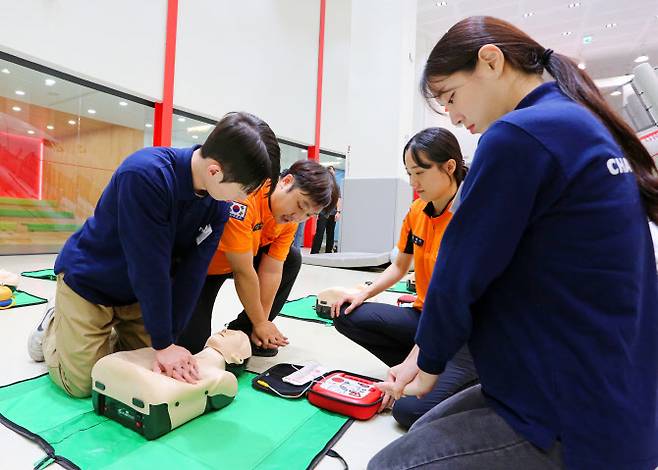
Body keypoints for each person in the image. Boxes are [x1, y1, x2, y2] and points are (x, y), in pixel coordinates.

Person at [369, 16, 658, 470]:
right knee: (420, 430)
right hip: (603, 386)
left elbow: (460, 269)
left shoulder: (520, 134)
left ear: (490, 60)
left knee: (392, 464)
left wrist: (430, 360)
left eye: (451, 97)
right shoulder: (580, 123)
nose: (454, 116)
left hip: (569, 404)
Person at [28, 112, 280, 398]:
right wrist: (161, 344)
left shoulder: (218, 206)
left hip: (136, 296)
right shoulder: (146, 174)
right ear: (214, 171)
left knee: (143, 374)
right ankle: (53, 326)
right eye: (244, 190)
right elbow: (149, 266)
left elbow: (192, 273)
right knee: (86, 385)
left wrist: (170, 340)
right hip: (90, 284)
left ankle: (97, 337)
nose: (244, 199)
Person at [331, 128, 477, 429]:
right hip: (425, 316)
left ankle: (456, 375)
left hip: (463, 331)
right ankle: (422, 368)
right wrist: (363, 292)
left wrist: (416, 362)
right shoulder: (417, 211)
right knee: (346, 313)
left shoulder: (469, 217)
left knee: (407, 411)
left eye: (420, 173)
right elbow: (399, 267)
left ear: (449, 167)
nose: (413, 183)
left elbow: (449, 305)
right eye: (409, 173)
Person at [177, 160, 339, 356]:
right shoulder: (246, 197)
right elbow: (243, 271)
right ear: (286, 181)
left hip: (240, 260)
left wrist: (259, 324)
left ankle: (245, 330)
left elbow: (272, 269)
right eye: (300, 205)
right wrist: (261, 322)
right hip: (203, 267)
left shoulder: (290, 220)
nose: (299, 217)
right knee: (190, 349)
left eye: (309, 214)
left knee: (292, 259)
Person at [310, 166, 341, 254]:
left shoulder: (336, 187)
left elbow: (339, 199)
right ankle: (314, 252)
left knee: (330, 234)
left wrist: (338, 212)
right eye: (330, 172)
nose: (331, 174)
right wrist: (316, 210)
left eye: (333, 173)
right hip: (323, 212)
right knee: (319, 232)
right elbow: (318, 198)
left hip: (333, 213)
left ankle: (328, 253)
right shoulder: (323, 184)